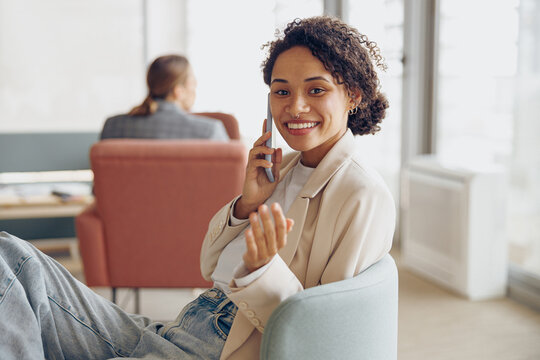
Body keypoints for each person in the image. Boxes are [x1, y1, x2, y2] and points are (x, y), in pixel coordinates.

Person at [0, 16, 395, 359]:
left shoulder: (361, 194)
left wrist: (264, 268)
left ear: (353, 95)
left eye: (316, 90)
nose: (294, 107)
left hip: (214, 348)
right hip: (179, 328)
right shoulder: (285, 169)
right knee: (10, 254)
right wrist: (246, 204)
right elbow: (208, 266)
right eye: (281, 91)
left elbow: (321, 338)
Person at [100, 54, 229, 141]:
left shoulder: (112, 127)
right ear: (178, 91)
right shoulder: (209, 132)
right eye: (193, 82)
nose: (195, 88)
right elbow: (234, 179)